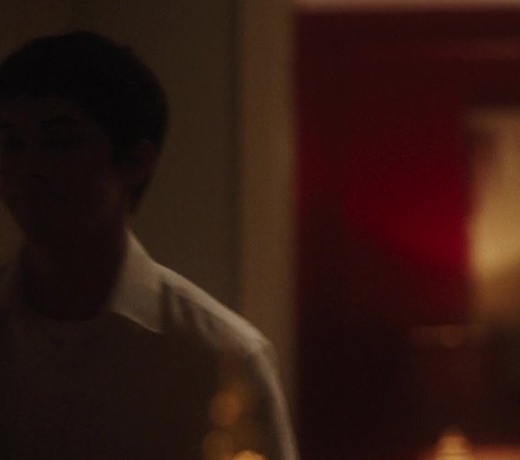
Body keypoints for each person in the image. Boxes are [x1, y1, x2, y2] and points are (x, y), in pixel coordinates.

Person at [0, 31, 298, 459]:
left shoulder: (218, 357)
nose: (27, 168)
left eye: (60, 142)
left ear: (136, 161)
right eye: (11, 143)